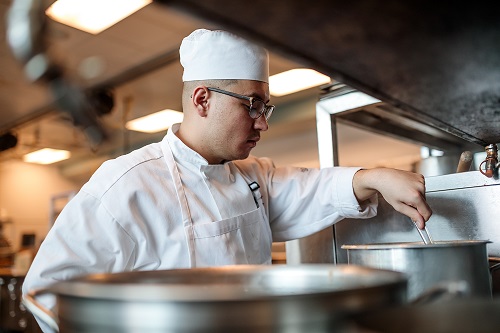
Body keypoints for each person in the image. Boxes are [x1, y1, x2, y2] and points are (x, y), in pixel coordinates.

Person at [22, 29, 432, 332]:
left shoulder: (252, 176)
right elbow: (44, 291)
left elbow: (312, 189)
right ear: (202, 100)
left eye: (266, 107)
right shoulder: (125, 186)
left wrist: (374, 176)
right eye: (253, 105)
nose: (262, 123)